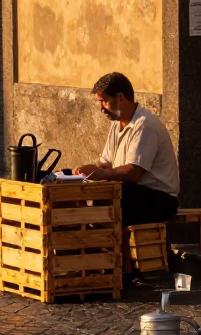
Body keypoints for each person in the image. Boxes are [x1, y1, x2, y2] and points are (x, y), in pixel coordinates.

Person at [74, 72, 179, 286]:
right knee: (93, 196)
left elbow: (133, 173)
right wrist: (87, 170)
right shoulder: (117, 124)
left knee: (115, 200)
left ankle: (126, 272)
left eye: (103, 101)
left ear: (120, 98)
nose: (100, 107)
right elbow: (107, 163)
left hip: (160, 198)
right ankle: (98, 264)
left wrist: (103, 174)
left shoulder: (145, 125)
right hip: (133, 192)